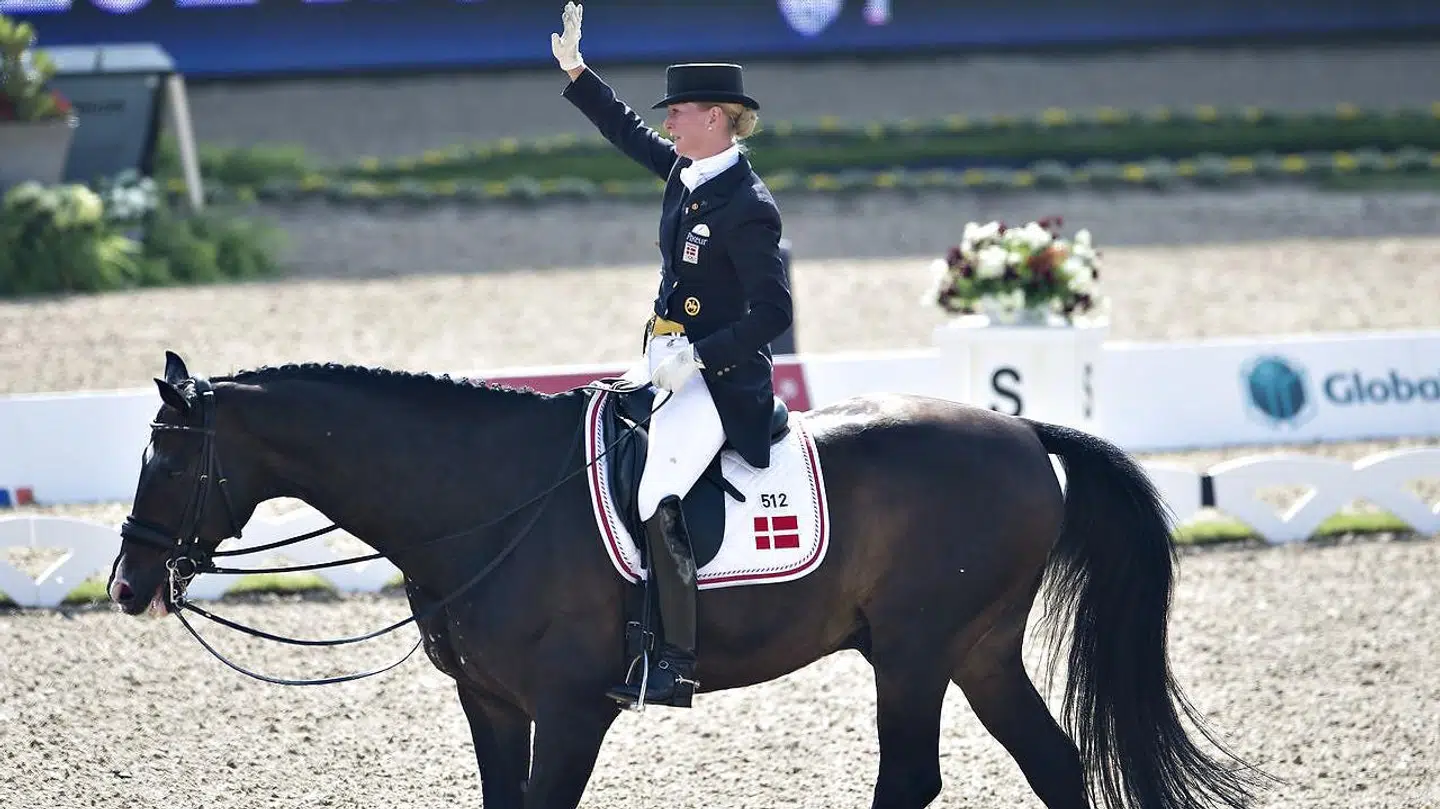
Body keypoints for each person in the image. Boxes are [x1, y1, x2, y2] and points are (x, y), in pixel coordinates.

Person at [551, 1, 794, 709]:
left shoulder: (746, 203)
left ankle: (676, 659)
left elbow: (773, 312)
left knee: (658, 494)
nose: (669, 122)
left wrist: (700, 358)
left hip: (717, 383)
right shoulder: (686, 176)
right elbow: (627, 133)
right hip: (664, 362)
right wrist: (577, 73)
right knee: (602, 451)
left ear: (717, 117)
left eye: (680, 111)